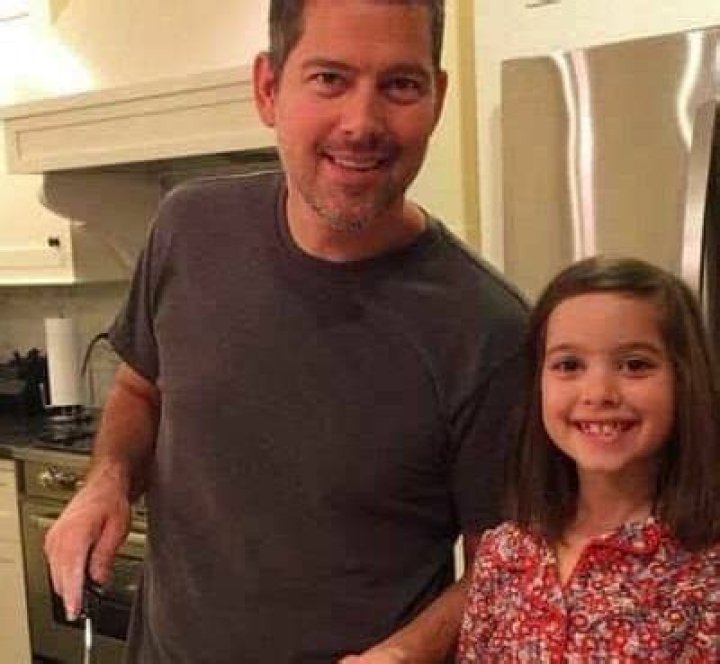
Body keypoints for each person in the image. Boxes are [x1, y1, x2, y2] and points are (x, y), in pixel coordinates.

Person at [44, 1, 528, 662]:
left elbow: (503, 568)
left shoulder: (490, 331)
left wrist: (404, 653)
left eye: (399, 84)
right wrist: (107, 479)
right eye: (330, 78)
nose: (361, 123)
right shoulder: (189, 227)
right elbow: (139, 389)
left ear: (437, 98)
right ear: (268, 88)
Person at [457, 256, 720, 662]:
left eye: (634, 365)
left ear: (685, 378)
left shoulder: (706, 568)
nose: (598, 393)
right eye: (569, 365)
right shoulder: (504, 555)